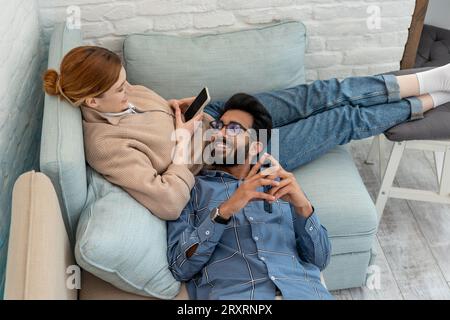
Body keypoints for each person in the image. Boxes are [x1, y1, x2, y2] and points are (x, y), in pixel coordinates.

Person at [42, 45, 450, 220]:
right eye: (119, 89)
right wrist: (184, 142)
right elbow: (167, 201)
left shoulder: (122, 90)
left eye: (126, 81)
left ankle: (429, 81)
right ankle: (431, 101)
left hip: (215, 118)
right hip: (222, 158)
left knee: (322, 93)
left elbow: (149, 108)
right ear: (92, 102)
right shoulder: (105, 146)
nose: (129, 89)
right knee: (341, 120)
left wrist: (176, 109)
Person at [167, 94, 333, 299]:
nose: (219, 133)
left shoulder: (281, 184)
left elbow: (320, 260)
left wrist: (304, 208)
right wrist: (225, 210)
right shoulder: (193, 188)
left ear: (256, 146)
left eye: (234, 128)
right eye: (218, 125)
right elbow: (180, 267)